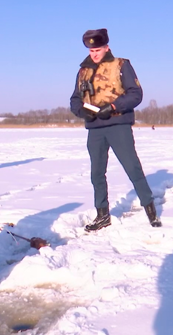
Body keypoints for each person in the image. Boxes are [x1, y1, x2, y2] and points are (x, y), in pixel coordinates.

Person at [69, 28, 162, 231]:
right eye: (91, 50)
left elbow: (135, 94)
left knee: (132, 168)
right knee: (97, 174)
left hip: (118, 125)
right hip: (95, 128)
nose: (94, 54)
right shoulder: (82, 71)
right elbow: (75, 99)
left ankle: (151, 212)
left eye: (98, 49)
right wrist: (81, 111)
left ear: (106, 48)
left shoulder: (121, 65)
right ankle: (102, 215)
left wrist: (112, 107)